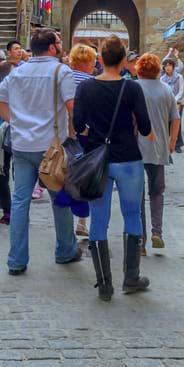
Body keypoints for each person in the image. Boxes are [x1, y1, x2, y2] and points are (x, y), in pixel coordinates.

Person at [0, 27, 82, 276]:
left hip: (22, 144)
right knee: (59, 201)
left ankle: (16, 259)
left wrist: (13, 120)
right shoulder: (60, 71)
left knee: (20, 202)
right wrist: (80, 131)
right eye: (59, 42)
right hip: (51, 146)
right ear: (52, 47)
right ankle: (65, 250)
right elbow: (72, 106)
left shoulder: (19, 71)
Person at [73, 35, 153, 301]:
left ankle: (104, 283)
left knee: (99, 218)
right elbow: (143, 126)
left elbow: (78, 124)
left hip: (98, 159)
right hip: (128, 158)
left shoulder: (85, 88)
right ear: (122, 60)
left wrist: (93, 132)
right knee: (132, 214)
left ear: (100, 59)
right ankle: (131, 276)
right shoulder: (131, 89)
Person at [136, 53, 180, 253]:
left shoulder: (134, 88)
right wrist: (171, 142)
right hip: (159, 147)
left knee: (137, 195)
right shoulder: (166, 89)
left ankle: (141, 240)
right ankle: (157, 232)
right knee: (157, 192)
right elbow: (176, 118)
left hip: (136, 148)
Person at [68, 42, 98, 237]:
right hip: (85, 134)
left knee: (65, 176)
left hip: (64, 134)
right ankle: (82, 221)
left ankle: (65, 220)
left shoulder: (63, 78)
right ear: (88, 62)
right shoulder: (92, 82)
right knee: (86, 177)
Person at [161, 55, 184, 152]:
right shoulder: (162, 79)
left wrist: (174, 100)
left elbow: (181, 90)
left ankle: (178, 144)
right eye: (166, 65)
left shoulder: (179, 77)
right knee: (168, 123)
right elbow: (162, 91)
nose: (168, 67)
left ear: (173, 66)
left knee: (177, 122)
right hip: (167, 104)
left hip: (178, 102)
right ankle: (168, 143)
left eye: (170, 65)